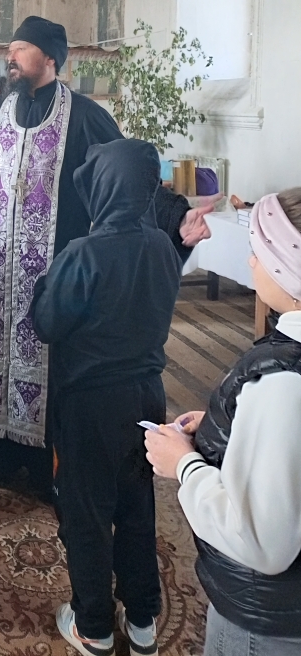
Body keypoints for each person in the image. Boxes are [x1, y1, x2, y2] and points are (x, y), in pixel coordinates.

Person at [0, 15, 213, 498]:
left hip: (55, 274)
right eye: (10, 48)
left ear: (50, 58)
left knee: (49, 364)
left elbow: (128, 174)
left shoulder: (84, 116)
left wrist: (177, 215)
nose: (10, 56)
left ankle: (42, 470)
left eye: (21, 49)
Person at [32, 140, 183, 656]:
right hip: (147, 398)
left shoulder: (84, 254)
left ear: (103, 188)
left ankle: (93, 625)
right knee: (137, 506)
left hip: (91, 405)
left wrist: (45, 283)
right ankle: (142, 620)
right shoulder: (162, 246)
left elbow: (48, 323)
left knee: (87, 512)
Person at [145, 187, 301, 656]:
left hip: (264, 617)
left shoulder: (283, 383)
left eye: (261, 253)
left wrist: (184, 465)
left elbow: (260, 541)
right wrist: (222, 425)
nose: (251, 262)